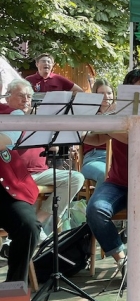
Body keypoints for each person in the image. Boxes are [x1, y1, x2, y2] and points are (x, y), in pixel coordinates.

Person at [86, 69, 140, 287]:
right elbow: (96, 139)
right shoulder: (119, 113)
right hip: (118, 182)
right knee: (95, 210)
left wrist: (110, 125)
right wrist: (82, 127)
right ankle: (123, 261)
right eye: (134, 88)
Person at [10, 80, 85, 233]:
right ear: (8, 97)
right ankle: (30, 231)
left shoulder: (38, 120)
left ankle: (38, 223)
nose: (26, 100)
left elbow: (54, 148)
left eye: (29, 96)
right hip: (15, 176)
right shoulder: (6, 119)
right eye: (21, 96)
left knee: (76, 178)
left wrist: (58, 138)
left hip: (41, 173)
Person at [0, 88, 41, 281]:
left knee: (28, 227)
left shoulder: (12, 114)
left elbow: (4, 141)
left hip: (6, 189)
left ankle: (13, 288)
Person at [81, 77, 115, 185]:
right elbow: (81, 135)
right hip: (94, 158)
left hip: (116, 158)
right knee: (105, 174)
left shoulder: (120, 114)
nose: (106, 97)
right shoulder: (88, 114)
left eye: (109, 93)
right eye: (101, 94)